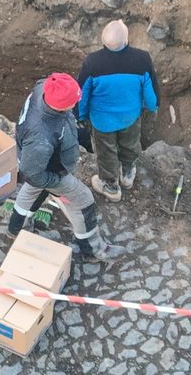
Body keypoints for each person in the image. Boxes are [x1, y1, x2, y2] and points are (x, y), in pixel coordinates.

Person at [7, 72, 126, 263]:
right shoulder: (41, 137)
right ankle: (93, 250)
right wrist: (56, 182)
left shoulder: (43, 88)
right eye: (75, 100)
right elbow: (32, 173)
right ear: (62, 106)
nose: (77, 103)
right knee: (83, 201)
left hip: (39, 160)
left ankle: (15, 229)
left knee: (32, 191)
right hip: (50, 170)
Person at [77, 19, 160, 202]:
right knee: (129, 144)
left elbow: (82, 94)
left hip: (102, 121)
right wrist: (152, 107)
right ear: (126, 39)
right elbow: (150, 92)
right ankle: (128, 174)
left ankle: (111, 186)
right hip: (130, 117)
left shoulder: (92, 63)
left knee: (106, 152)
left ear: (103, 41)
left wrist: (81, 115)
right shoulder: (142, 59)